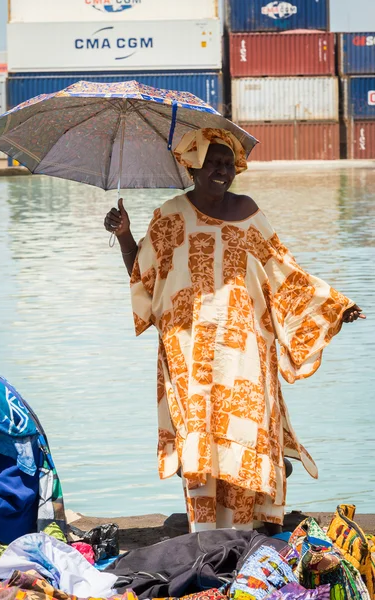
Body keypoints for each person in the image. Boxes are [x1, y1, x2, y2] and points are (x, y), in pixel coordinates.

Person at [104, 128, 365, 534]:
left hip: (246, 347)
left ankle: (247, 533)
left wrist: (331, 306)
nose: (223, 170)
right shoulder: (170, 216)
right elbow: (146, 278)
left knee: (248, 429)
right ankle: (205, 537)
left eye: (228, 163)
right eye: (214, 162)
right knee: (201, 436)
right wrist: (124, 237)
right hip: (189, 350)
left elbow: (284, 273)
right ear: (194, 166)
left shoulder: (249, 212)